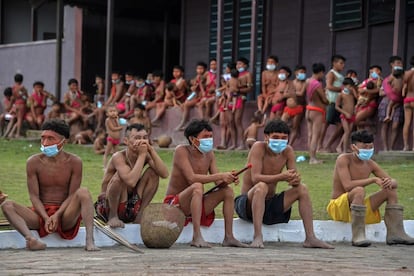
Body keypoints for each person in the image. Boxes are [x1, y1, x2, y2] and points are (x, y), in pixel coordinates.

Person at [0, 119, 99, 251]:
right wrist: (46, 217)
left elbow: (72, 195)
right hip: (40, 214)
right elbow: (34, 196)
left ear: (64, 141)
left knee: (83, 192)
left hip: (65, 216)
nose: (45, 143)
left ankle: (90, 240)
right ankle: (31, 239)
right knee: (7, 205)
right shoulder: (33, 162)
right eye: (43, 138)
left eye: (51, 139)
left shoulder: (75, 162)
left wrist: (57, 215)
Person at [235, 119, 333, 249]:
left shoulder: (288, 151)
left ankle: (310, 238)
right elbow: (256, 178)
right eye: (275, 137)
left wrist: (295, 179)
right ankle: (257, 236)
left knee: (302, 189)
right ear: (266, 137)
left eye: (283, 138)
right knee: (261, 186)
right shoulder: (258, 147)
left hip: (270, 205)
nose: (280, 141)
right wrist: (281, 177)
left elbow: (294, 178)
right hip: (248, 204)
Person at [164, 119, 247, 248]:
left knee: (228, 191)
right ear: (193, 139)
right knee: (197, 186)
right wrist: (220, 175)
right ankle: (196, 237)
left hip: (196, 201)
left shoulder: (209, 154)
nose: (209, 140)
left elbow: (218, 182)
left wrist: (227, 179)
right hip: (175, 204)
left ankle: (229, 237)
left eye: (210, 136)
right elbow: (191, 178)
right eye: (205, 137)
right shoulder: (181, 151)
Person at [327, 130, 414, 247]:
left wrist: (390, 181)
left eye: (370, 147)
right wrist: (372, 180)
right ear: (353, 147)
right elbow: (347, 185)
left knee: (390, 190)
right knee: (359, 190)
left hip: (359, 209)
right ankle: (358, 236)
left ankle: (396, 233)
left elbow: (394, 182)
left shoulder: (370, 163)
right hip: (339, 208)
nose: (368, 150)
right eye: (364, 147)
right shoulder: (343, 159)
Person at [95, 123, 168, 227]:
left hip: (131, 204)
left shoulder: (146, 155)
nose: (142, 141)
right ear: (126, 141)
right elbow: (131, 181)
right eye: (137, 138)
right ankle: (113, 216)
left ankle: (140, 216)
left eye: (145, 138)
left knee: (153, 173)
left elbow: (164, 174)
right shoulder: (118, 157)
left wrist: (151, 150)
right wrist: (142, 155)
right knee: (119, 177)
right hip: (109, 205)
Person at [320, 55, 346, 152]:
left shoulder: (341, 76)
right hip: (331, 101)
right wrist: (342, 89)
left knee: (340, 125)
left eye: (343, 63)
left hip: (338, 103)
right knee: (326, 124)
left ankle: (328, 145)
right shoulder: (331, 74)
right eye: (341, 63)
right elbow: (329, 86)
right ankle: (319, 146)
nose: (343, 65)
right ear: (334, 63)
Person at [378, 56, 405, 151]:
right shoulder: (387, 79)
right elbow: (380, 92)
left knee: (395, 125)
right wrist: (391, 92)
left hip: (398, 103)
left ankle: (391, 147)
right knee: (385, 125)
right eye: (397, 63)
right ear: (392, 65)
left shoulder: (404, 77)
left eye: (400, 63)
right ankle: (385, 147)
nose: (399, 65)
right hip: (386, 102)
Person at [305, 63, 328, 164]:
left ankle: (311, 156)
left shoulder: (307, 81)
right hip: (316, 110)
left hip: (309, 109)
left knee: (310, 135)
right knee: (315, 135)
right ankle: (313, 158)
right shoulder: (317, 84)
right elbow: (324, 99)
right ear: (321, 72)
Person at [176, 62, 206, 131]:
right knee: (185, 104)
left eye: (201, 68)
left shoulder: (206, 76)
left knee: (196, 105)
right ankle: (184, 122)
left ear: (204, 69)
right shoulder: (196, 77)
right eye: (198, 68)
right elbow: (193, 88)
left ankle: (203, 124)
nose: (199, 70)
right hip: (196, 97)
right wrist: (193, 87)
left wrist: (199, 84)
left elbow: (202, 89)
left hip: (203, 97)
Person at [281, 65, 307, 146]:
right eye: (301, 72)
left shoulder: (305, 83)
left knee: (294, 127)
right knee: (282, 124)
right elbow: (284, 94)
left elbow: (301, 93)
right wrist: (293, 94)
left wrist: (291, 93)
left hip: (298, 107)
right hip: (288, 108)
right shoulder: (291, 82)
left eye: (304, 72)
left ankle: (290, 145)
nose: (302, 74)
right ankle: (283, 142)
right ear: (296, 72)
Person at [355, 65, 382, 130]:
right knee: (359, 127)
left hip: (369, 104)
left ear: (379, 72)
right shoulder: (366, 80)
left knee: (355, 121)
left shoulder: (380, 80)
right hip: (361, 103)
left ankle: (371, 125)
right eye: (371, 72)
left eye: (373, 71)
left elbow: (377, 91)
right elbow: (359, 88)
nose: (372, 73)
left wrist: (365, 90)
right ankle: (361, 139)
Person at [335, 77, 357, 153]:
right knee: (347, 131)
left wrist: (353, 91)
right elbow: (337, 106)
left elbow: (357, 98)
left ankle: (345, 147)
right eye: (349, 86)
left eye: (351, 86)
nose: (350, 88)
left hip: (352, 115)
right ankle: (344, 149)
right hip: (344, 115)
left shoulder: (351, 94)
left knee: (348, 132)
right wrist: (345, 113)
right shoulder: (341, 94)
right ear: (344, 86)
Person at [235, 57, 253, 149]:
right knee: (232, 121)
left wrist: (238, 89)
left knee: (238, 120)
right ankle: (234, 144)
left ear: (245, 65)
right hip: (232, 99)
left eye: (240, 64)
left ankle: (242, 143)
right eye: (237, 64)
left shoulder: (247, 74)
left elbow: (250, 88)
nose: (238, 66)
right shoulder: (234, 74)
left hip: (241, 97)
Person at [10, 73, 29, 138]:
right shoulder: (22, 87)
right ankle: (17, 133)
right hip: (21, 104)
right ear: (22, 80)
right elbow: (26, 96)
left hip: (16, 104)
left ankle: (12, 133)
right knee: (20, 119)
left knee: (17, 118)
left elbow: (13, 97)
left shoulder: (13, 88)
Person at [402, 56, 414, 151]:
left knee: (407, 123)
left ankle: (406, 146)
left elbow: (403, 87)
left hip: (407, 99)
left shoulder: (407, 73)